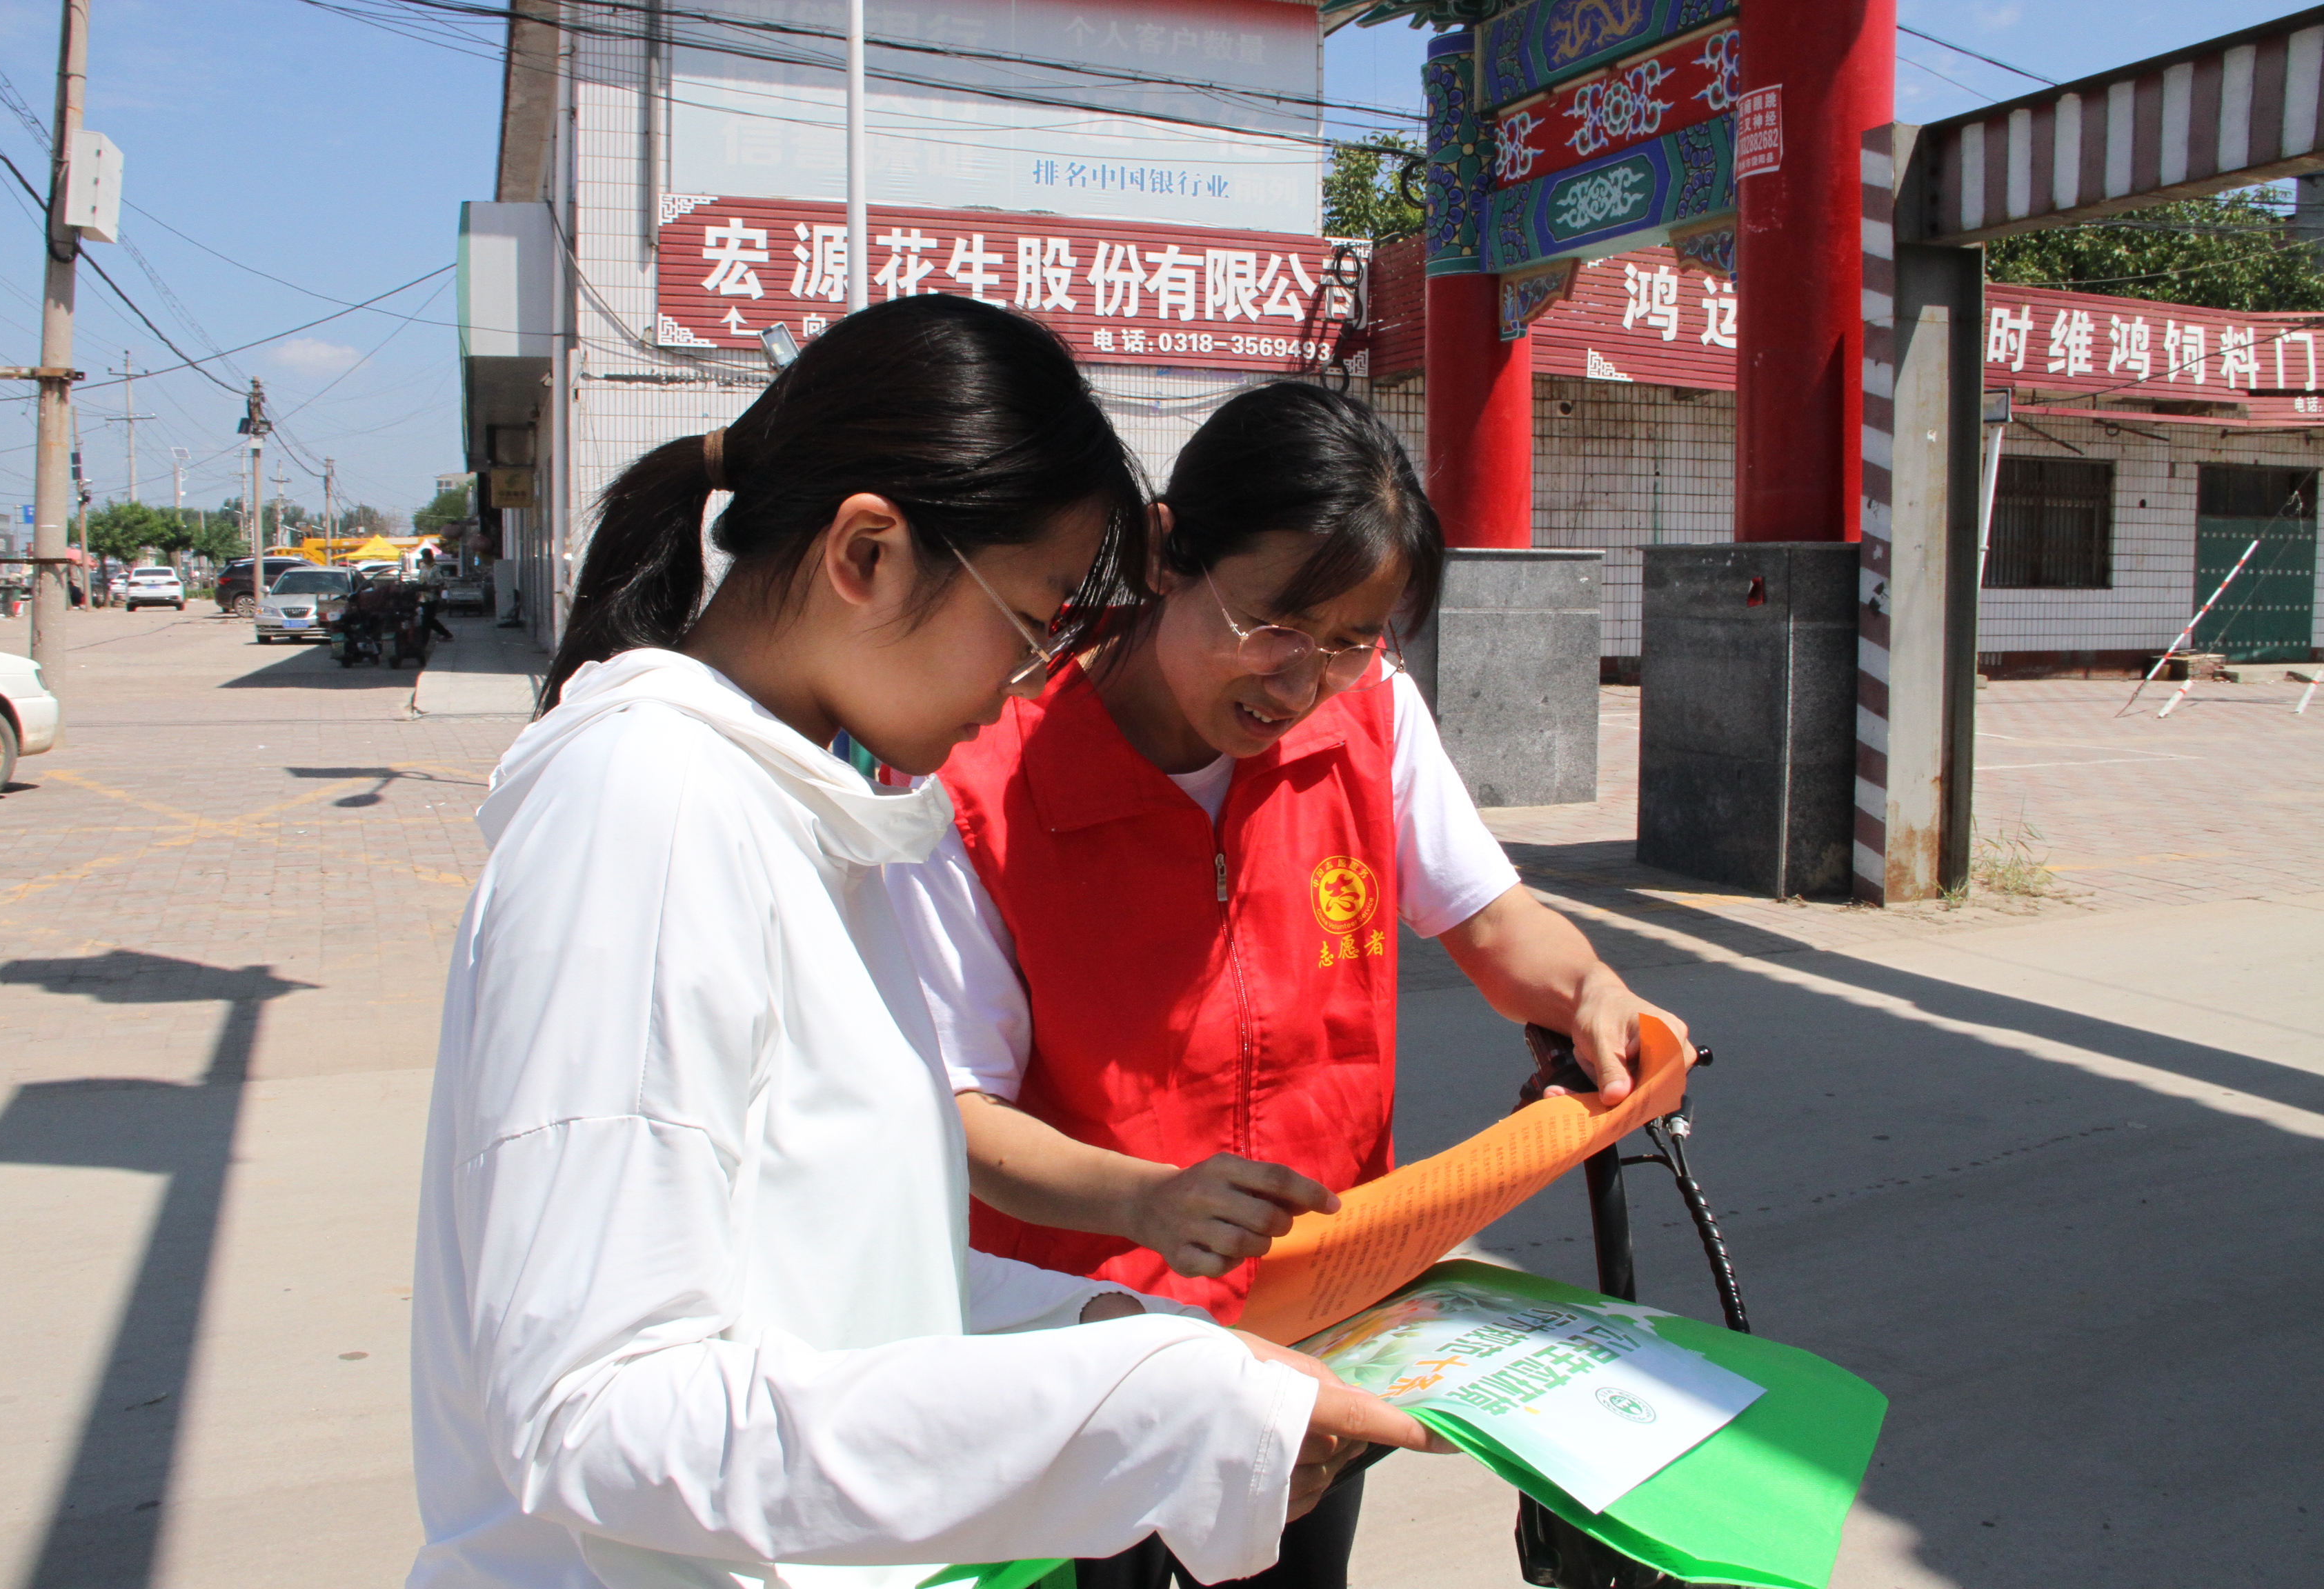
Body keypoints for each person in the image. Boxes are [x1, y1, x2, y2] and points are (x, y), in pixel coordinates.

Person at [408, 302, 1440, 1589]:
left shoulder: (803, 821)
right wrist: (1133, 1409)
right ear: (868, 554)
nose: (1029, 685)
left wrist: (1129, 1337)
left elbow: (850, 1267)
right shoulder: (647, 809)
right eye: (1033, 623)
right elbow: (597, 1411)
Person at [884, 382, 1692, 1589]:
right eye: (1270, 621)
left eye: (1351, 640)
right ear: (1168, 554)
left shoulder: (1370, 722)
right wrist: (1146, 1203)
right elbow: (949, 1120)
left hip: (1324, 1329)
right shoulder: (983, 789)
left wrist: (1588, 990)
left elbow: (1490, 921)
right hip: (1093, 1349)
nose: (1299, 682)